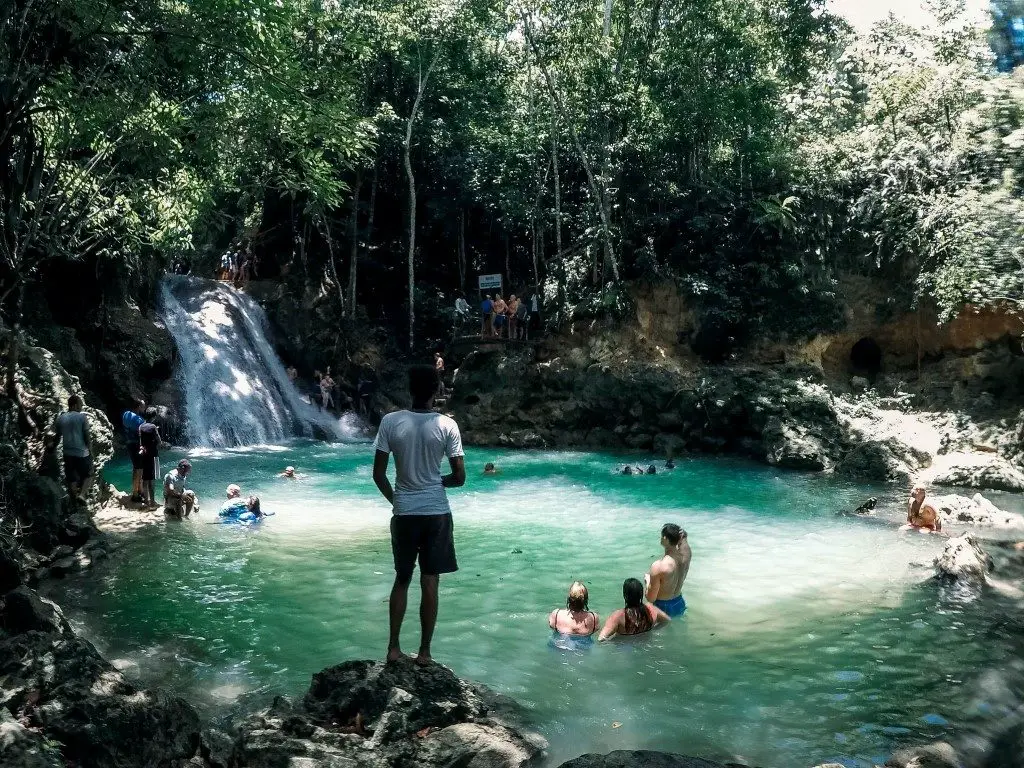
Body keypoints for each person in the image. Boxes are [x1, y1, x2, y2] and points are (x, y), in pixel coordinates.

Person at [372, 364, 466, 665]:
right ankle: (425, 653)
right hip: (436, 512)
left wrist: (397, 500)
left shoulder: (390, 422)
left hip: (404, 512)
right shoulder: (447, 425)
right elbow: (459, 476)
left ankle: (393, 649)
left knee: (402, 579)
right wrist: (438, 483)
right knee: (430, 581)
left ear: (410, 389)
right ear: (437, 390)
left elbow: (378, 474)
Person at [599, 578, 671, 641]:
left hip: (625, 650)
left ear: (625, 595)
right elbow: (667, 620)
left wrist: (614, 640)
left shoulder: (618, 616)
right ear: (641, 594)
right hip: (646, 642)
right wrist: (653, 630)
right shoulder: (651, 609)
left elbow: (601, 639)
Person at [51, 395, 93, 502]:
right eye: (80, 405)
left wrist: (52, 448)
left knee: (71, 477)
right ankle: (82, 495)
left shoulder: (61, 418)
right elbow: (87, 437)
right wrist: (90, 451)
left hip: (67, 453)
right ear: (74, 405)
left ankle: (74, 498)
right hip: (82, 453)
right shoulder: (82, 417)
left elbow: (57, 437)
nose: (81, 407)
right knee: (88, 474)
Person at [645, 523, 691, 617]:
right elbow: (684, 544)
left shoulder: (659, 566)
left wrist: (648, 581)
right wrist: (684, 537)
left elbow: (651, 599)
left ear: (665, 538)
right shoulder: (687, 556)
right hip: (679, 602)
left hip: (663, 607)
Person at [548, 581, 599, 649]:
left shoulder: (556, 614)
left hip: (559, 649)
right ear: (585, 599)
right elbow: (595, 630)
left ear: (569, 598)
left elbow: (552, 626)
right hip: (583, 650)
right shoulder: (593, 618)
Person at [122, 399, 146, 503]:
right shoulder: (139, 420)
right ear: (139, 407)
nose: (144, 408)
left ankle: (138, 490)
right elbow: (144, 434)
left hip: (128, 444)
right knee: (139, 469)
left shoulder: (126, 414)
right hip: (137, 446)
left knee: (135, 468)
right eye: (143, 406)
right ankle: (136, 495)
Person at [138, 411, 162, 508]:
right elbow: (159, 441)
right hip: (153, 455)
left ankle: (146, 501)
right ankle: (153, 501)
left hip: (144, 455)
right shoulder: (153, 427)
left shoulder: (140, 427)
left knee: (145, 478)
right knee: (152, 479)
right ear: (153, 417)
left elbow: (140, 442)